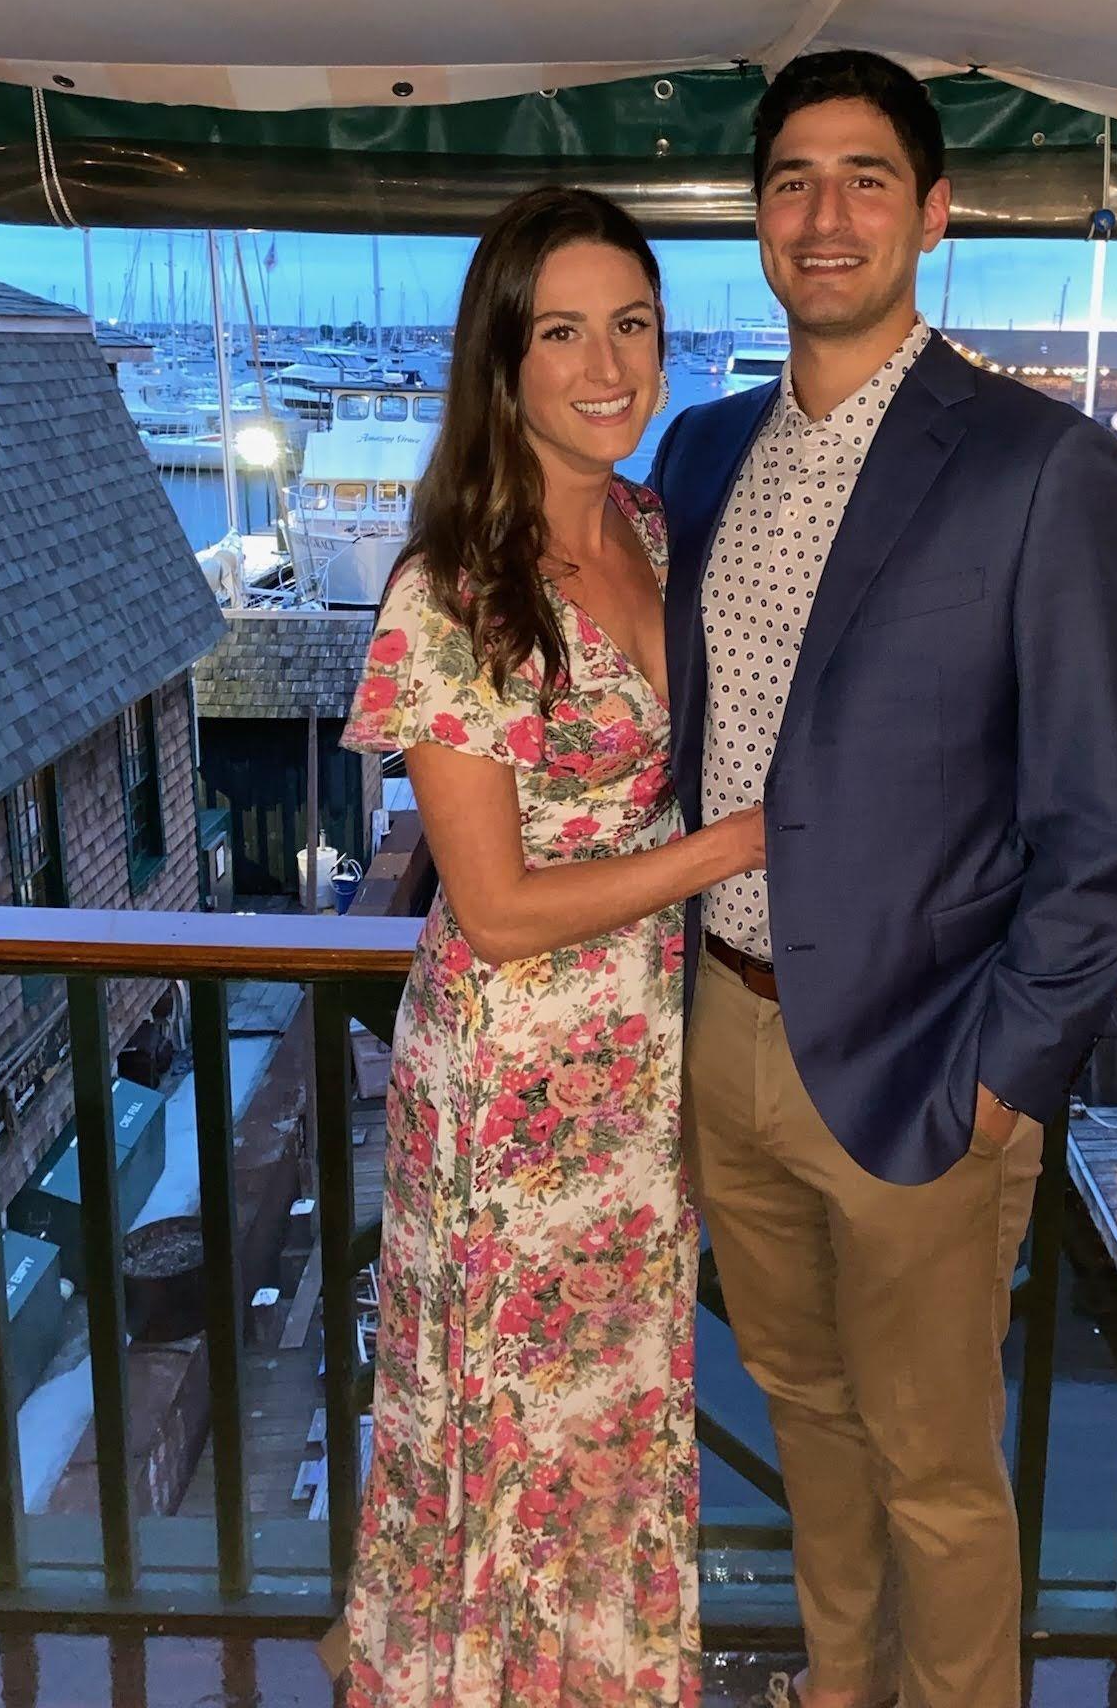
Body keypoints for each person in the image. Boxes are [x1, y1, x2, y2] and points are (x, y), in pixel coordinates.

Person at [649, 51, 1117, 1708]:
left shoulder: (1043, 466)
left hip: (930, 1063)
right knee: (806, 1420)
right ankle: (837, 1687)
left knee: (938, 1471)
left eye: (866, 177)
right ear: (756, 219)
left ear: (934, 213)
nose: (826, 213)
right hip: (723, 1036)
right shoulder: (701, 452)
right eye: (792, 179)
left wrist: (1004, 1080)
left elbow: (1105, 829)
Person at [334, 186, 764, 1708]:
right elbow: (498, 906)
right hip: (513, 1083)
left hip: (639, 1062)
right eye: (563, 331)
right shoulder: (454, 588)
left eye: (631, 326)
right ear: (502, 359)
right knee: (514, 1417)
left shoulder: (652, 528)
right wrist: (732, 847)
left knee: (618, 1411)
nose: (606, 366)